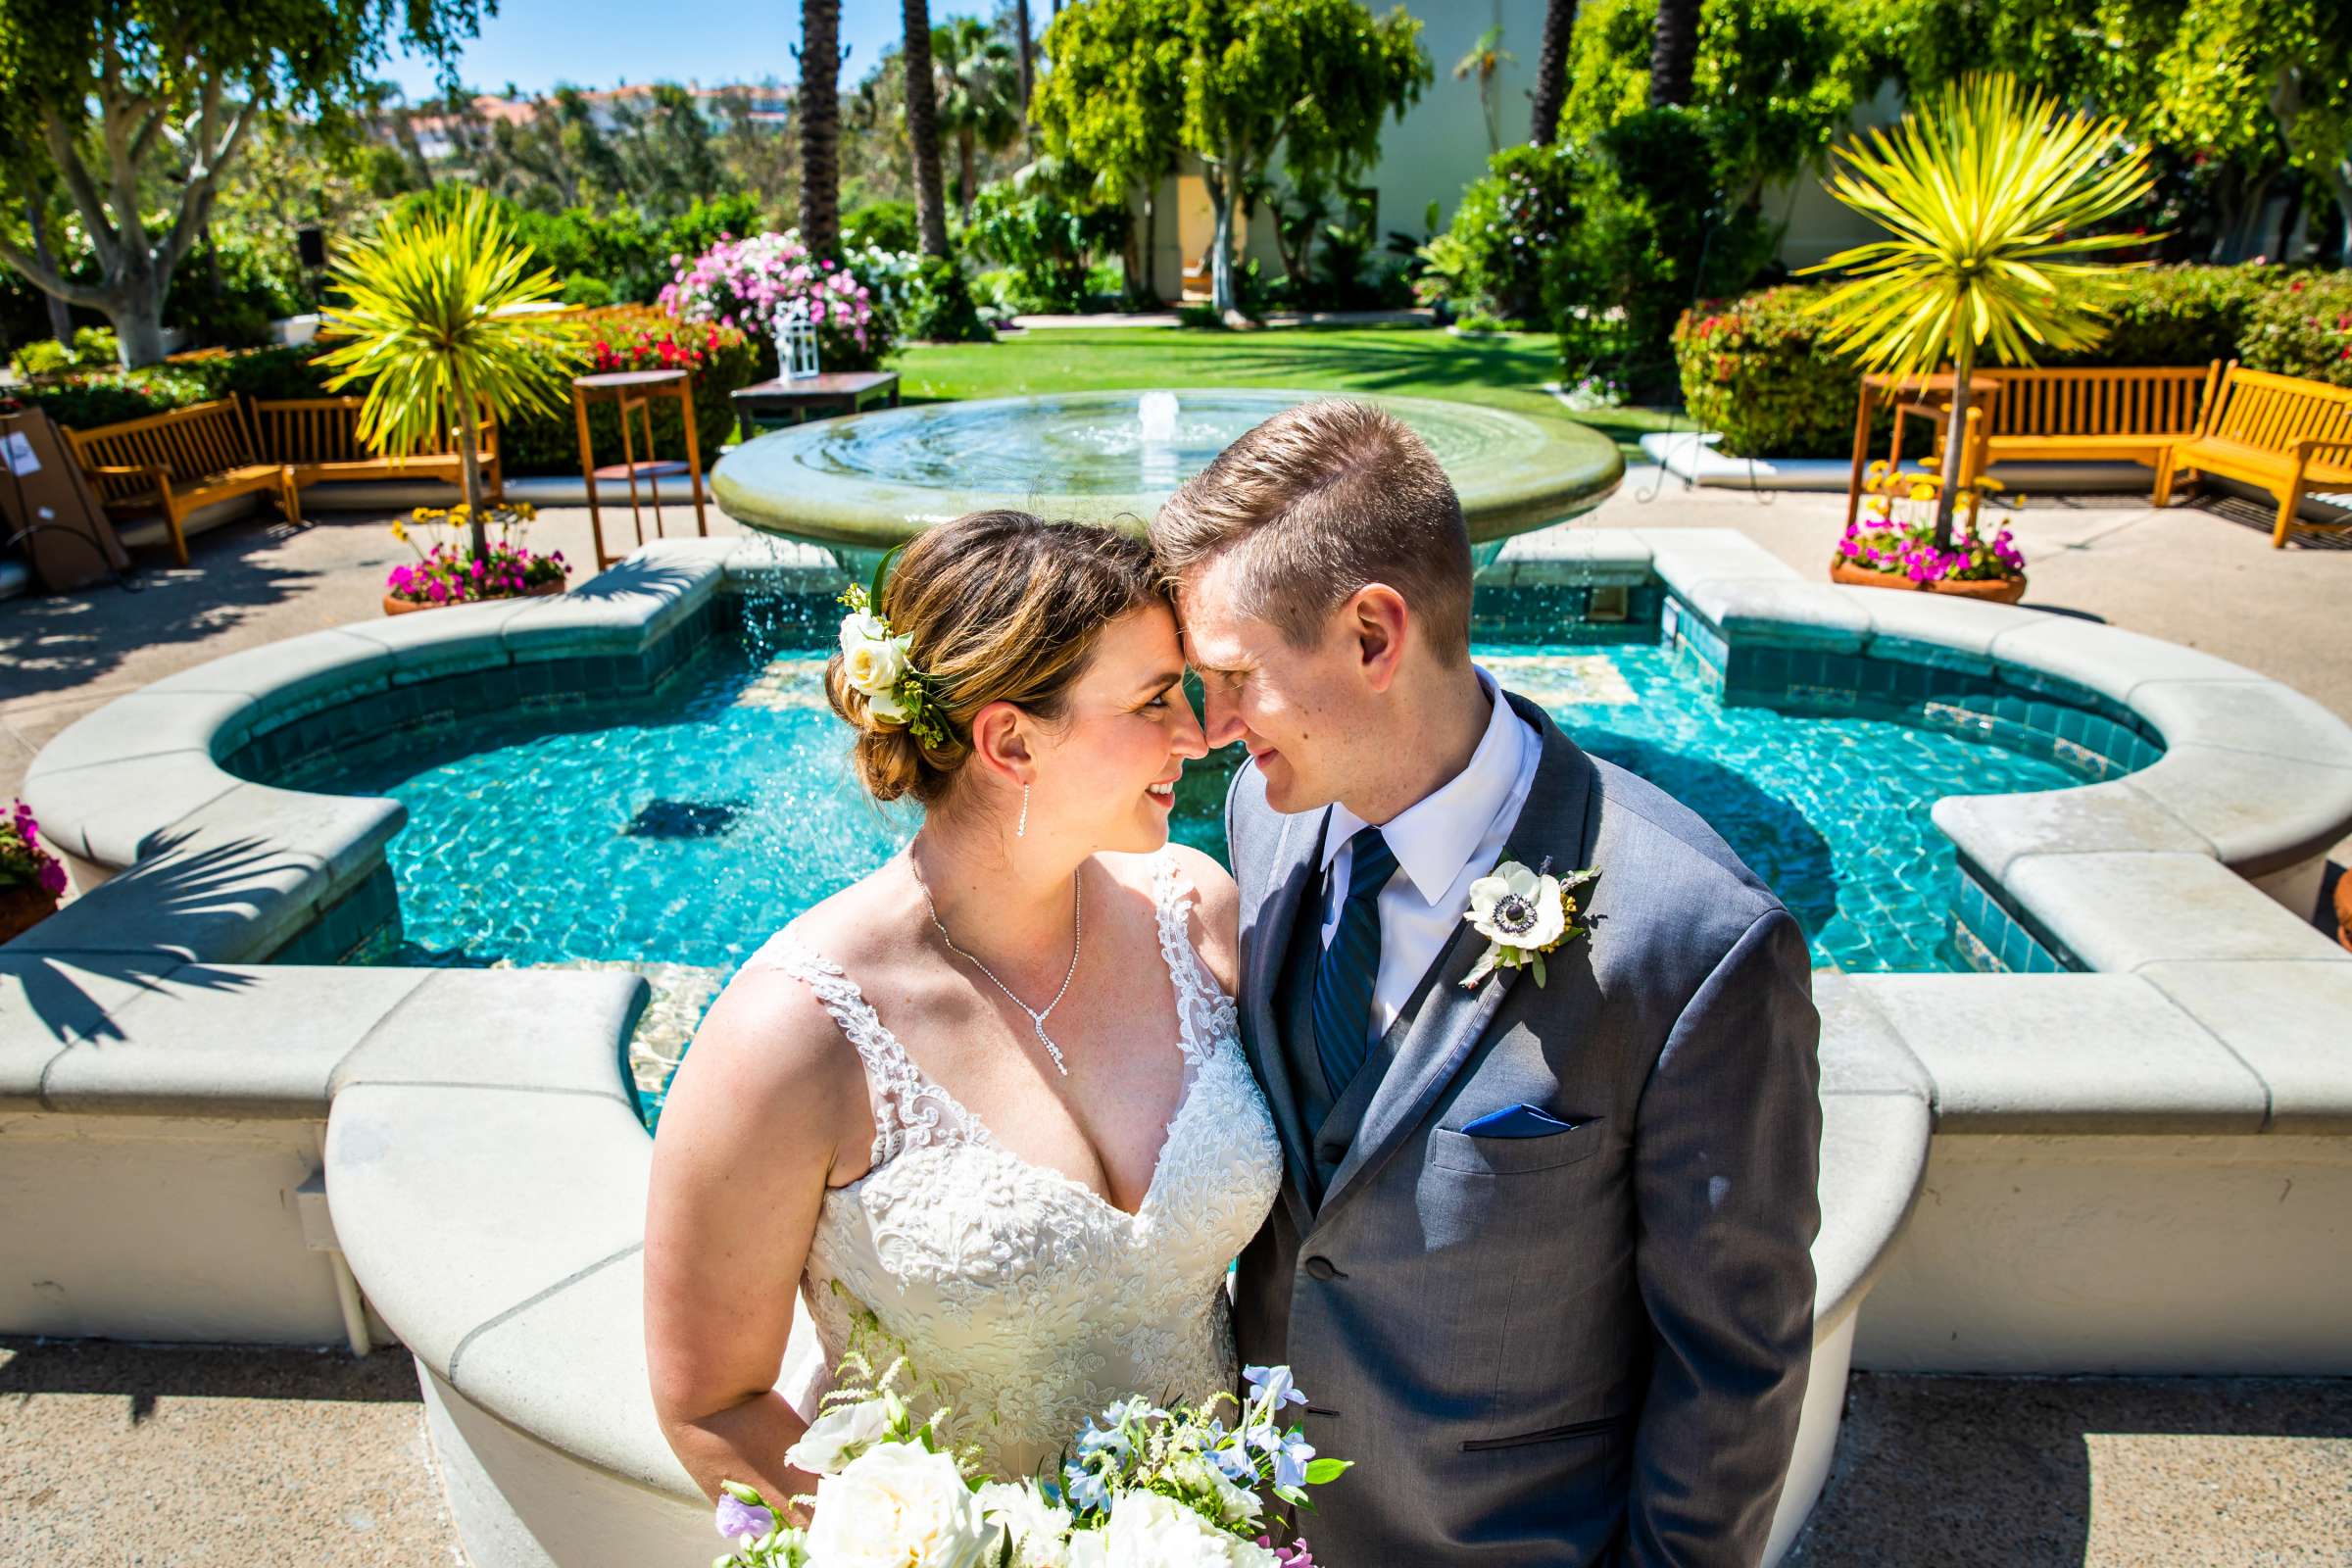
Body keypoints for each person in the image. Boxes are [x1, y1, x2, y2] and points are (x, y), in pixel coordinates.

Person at [1152, 399, 1824, 1566]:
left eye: (1234, 676)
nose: (1210, 729)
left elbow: (1731, 1365)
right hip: (1255, 1528)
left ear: (1373, 634)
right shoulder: (1267, 816)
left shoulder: (1695, 943)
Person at [643, 511, 1282, 1507]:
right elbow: (711, 1403)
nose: (1198, 735)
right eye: (1156, 701)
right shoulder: (799, 1035)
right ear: (1011, 741)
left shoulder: (1200, 915)